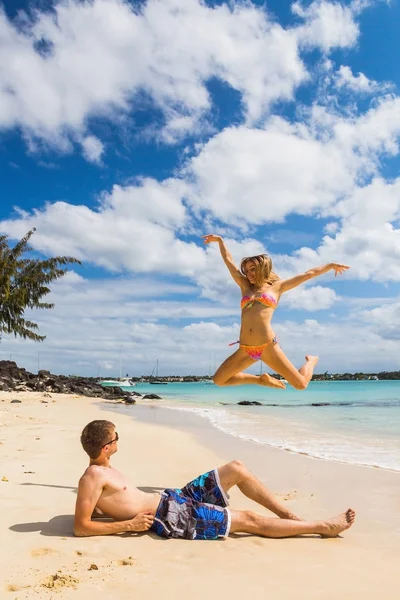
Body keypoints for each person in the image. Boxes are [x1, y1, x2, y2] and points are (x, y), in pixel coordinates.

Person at [74, 420, 355, 540]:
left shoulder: (105, 470)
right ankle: (322, 527)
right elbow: (80, 528)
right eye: (115, 438)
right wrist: (129, 524)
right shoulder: (92, 477)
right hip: (172, 517)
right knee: (246, 519)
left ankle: (288, 514)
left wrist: (108, 512)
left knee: (236, 468)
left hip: (176, 497)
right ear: (106, 448)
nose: (118, 440)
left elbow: (100, 510)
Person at [202, 234, 349, 390]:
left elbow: (309, 274)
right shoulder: (245, 286)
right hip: (245, 348)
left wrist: (330, 265)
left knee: (301, 385)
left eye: (252, 269)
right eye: (246, 271)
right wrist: (220, 241)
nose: (248, 274)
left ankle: (311, 361)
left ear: (262, 268)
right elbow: (228, 261)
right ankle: (260, 380)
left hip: (267, 346)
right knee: (219, 380)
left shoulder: (277, 287)